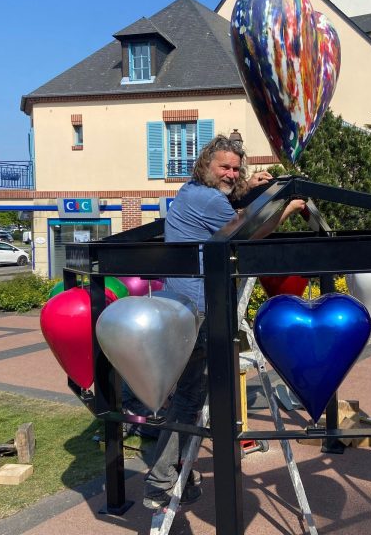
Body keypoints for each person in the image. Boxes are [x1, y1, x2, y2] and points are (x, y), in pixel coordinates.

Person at [142, 134, 305, 509]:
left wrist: (249, 187)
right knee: (189, 397)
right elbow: (250, 232)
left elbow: (230, 203)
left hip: (184, 304)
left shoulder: (191, 191)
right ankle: (162, 480)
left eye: (235, 168)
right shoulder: (209, 199)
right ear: (206, 166)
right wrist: (288, 208)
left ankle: (179, 474)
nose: (231, 174)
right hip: (200, 305)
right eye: (224, 168)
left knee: (191, 395)